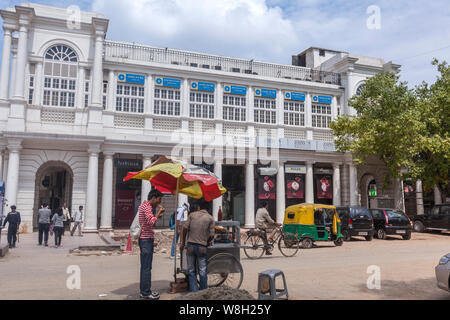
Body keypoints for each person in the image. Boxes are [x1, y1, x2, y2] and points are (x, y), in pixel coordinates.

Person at [180, 198, 215, 292]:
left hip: (190, 246)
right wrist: (207, 242)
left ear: (199, 207)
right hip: (202, 247)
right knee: (202, 271)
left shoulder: (192, 215)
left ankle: (194, 292)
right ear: (209, 209)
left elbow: (184, 229)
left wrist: (183, 242)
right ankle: (203, 292)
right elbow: (212, 235)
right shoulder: (210, 218)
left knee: (191, 271)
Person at [138, 189, 165, 300]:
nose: (159, 202)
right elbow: (151, 221)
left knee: (145, 267)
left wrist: (158, 213)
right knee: (146, 268)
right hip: (146, 239)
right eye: (158, 200)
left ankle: (145, 291)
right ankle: (145, 293)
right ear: (153, 198)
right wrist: (159, 212)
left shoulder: (144, 206)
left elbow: (149, 220)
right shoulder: (147, 207)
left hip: (144, 239)